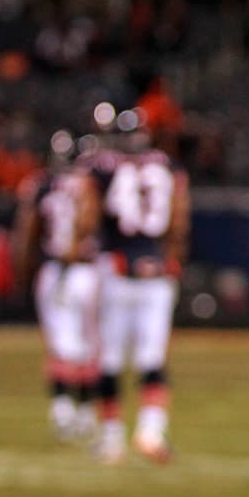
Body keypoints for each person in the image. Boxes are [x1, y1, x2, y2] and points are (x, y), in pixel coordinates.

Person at [80, 106, 191, 464]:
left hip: (117, 268)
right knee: (153, 357)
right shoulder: (169, 168)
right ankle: (151, 430)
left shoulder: (102, 167)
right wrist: (171, 260)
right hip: (157, 272)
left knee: (109, 357)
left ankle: (112, 439)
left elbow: (87, 215)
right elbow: (179, 221)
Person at [12, 129, 102, 442]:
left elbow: (26, 232)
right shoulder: (92, 183)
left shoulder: (41, 185)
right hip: (87, 270)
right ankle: (86, 411)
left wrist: (21, 271)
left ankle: (62, 410)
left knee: (61, 343)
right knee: (90, 344)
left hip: (55, 269)